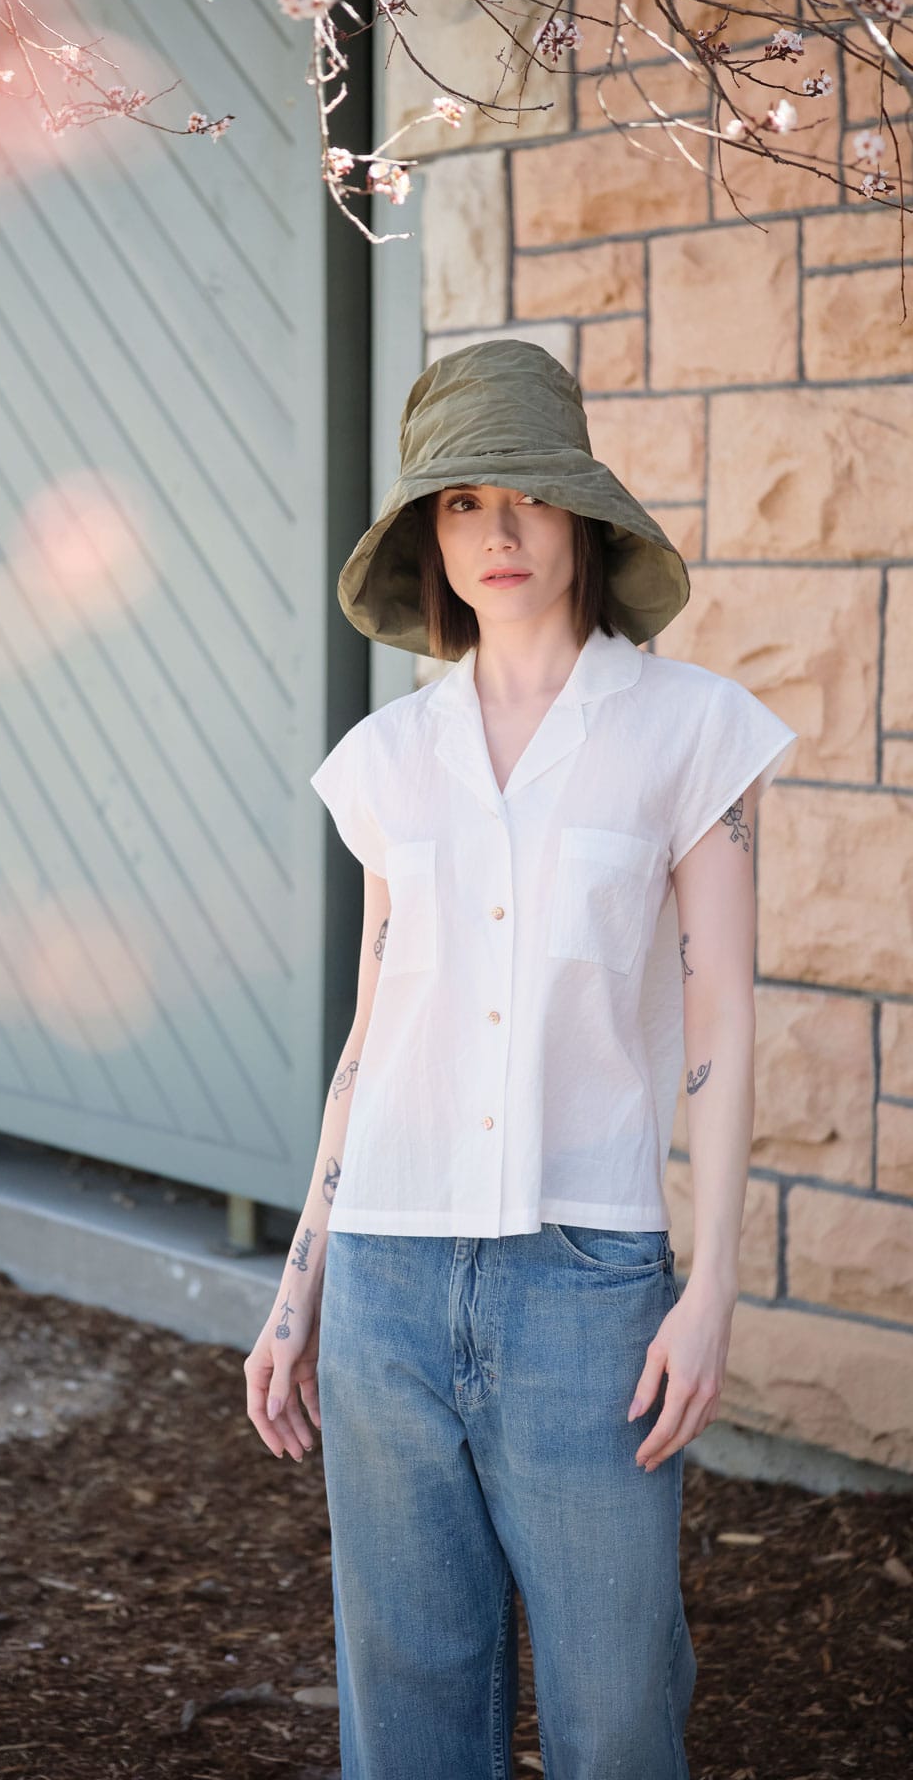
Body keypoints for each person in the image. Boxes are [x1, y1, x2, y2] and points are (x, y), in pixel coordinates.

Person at [243, 338, 800, 1780]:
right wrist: (297, 1289)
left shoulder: (692, 734)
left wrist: (714, 1288)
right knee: (410, 1717)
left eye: (527, 498)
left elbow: (725, 1023)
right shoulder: (388, 760)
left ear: (584, 519)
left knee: (619, 1719)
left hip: (589, 1292)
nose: (494, 532)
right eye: (459, 501)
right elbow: (369, 1038)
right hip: (385, 1284)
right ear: (429, 535)